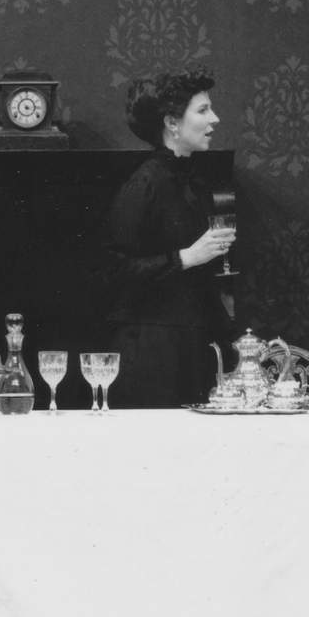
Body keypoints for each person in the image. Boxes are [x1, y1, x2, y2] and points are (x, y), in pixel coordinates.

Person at [103, 65, 236, 407]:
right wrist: (186, 257)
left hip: (193, 341)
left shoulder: (193, 181)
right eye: (203, 110)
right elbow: (113, 270)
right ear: (172, 123)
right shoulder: (145, 184)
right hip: (152, 348)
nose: (215, 119)